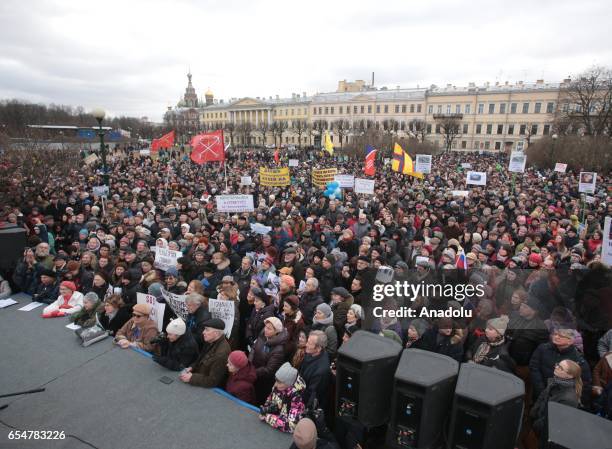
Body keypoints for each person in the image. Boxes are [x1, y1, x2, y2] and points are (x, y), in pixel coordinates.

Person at [529, 328, 592, 406]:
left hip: (561, 400)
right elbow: (534, 367)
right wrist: (541, 390)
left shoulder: (578, 359)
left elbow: (584, 384)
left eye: (561, 336)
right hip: (540, 393)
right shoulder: (543, 348)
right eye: (555, 334)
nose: (556, 337)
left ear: (570, 341)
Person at [530, 360, 583, 448]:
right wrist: (534, 412)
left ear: (569, 375)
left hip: (544, 432)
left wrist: (536, 425)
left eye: (560, 368)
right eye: (558, 364)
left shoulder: (568, 399)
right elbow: (542, 397)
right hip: (538, 421)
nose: (556, 367)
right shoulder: (555, 381)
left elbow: (553, 421)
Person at [180, 318, 231, 388]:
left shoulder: (221, 354)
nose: (203, 332)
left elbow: (212, 381)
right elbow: (201, 358)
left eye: (207, 330)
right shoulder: (210, 341)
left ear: (216, 333)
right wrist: (192, 367)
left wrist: (192, 378)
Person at [250, 317, 289, 405]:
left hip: (264, 382)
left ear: (276, 332)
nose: (265, 330)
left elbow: (269, 370)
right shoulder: (263, 335)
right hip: (254, 374)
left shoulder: (279, 349)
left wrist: (253, 372)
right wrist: (249, 363)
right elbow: (254, 348)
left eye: (269, 328)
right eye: (265, 327)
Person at [259, 362, 306, 433]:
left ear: (289, 383)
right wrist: (266, 409)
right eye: (276, 380)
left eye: (279, 382)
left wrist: (267, 417)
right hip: (272, 427)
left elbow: (292, 426)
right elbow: (269, 401)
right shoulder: (278, 387)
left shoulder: (297, 399)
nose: (275, 384)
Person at [299, 330, 331, 409]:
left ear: (319, 348)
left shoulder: (321, 371)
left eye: (309, 343)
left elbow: (312, 396)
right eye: (307, 341)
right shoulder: (311, 354)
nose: (306, 345)